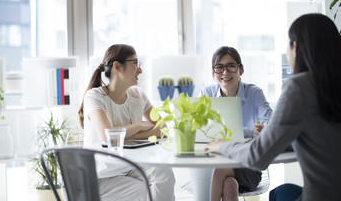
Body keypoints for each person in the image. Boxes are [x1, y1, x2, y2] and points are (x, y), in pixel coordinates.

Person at [205, 13, 341, 201]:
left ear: (296, 47)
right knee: (280, 191)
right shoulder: (330, 85)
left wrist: (222, 145)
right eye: (219, 67)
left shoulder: (299, 88)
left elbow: (259, 155)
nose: (225, 72)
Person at [78, 44, 175, 201]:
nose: (140, 70)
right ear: (117, 66)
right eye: (135, 63)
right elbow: (108, 136)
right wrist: (139, 126)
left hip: (128, 166)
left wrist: (127, 133)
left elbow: (163, 129)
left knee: (164, 173)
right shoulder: (94, 96)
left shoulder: (138, 94)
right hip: (100, 174)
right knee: (142, 191)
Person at [200, 46, 273, 201]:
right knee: (229, 185)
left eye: (231, 66)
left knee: (219, 172)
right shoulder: (206, 94)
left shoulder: (254, 93)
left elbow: (270, 123)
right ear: (213, 72)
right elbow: (199, 129)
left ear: (241, 69)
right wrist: (248, 132)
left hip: (248, 165)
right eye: (219, 67)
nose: (225, 72)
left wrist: (262, 130)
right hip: (215, 161)